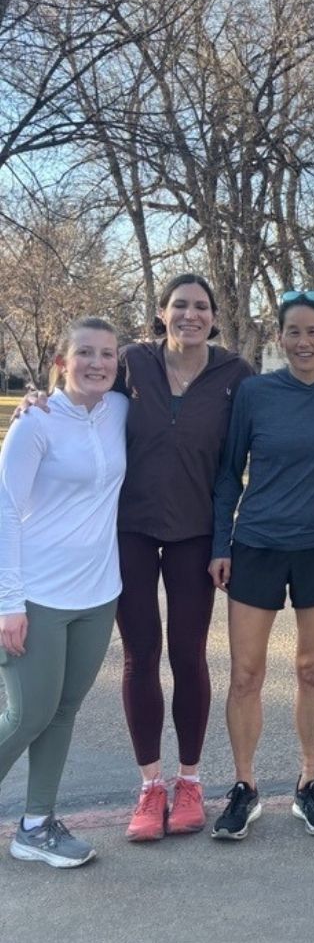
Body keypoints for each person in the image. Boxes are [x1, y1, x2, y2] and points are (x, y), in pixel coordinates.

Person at [15, 274, 254, 841]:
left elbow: (231, 468)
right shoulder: (131, 362)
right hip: (131, 532)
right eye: (179, 306)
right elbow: (81, 384)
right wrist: (39, 395)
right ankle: (150, 786)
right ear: (162, 313)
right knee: (141, 655)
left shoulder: (235, 374)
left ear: (215, 317)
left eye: (201, 307)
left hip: (197, 533)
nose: (190, 315)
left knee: (189, 655)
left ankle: (189, 780)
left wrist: (224, 541)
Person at [208, 292, 314, 840]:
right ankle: (245, 788)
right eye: (292, 332)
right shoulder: (254, 393)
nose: (303, 342)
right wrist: (220, 545)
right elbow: (228, 475)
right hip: (257, 545)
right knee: (246, 673)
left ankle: (309, 786)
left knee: (312, 670)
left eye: (313, 331)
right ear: (278, 338)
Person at [0, 318, 128, 867]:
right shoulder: (36, 421)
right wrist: (7, 601)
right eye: (84, 353)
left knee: (63, 710)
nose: (97, 363)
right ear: (60, 362)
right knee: (28, 713)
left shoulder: (121, 410)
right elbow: (4, 509)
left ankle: (36, 824)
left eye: (107, 355)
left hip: (99, 594)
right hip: (37, 596)